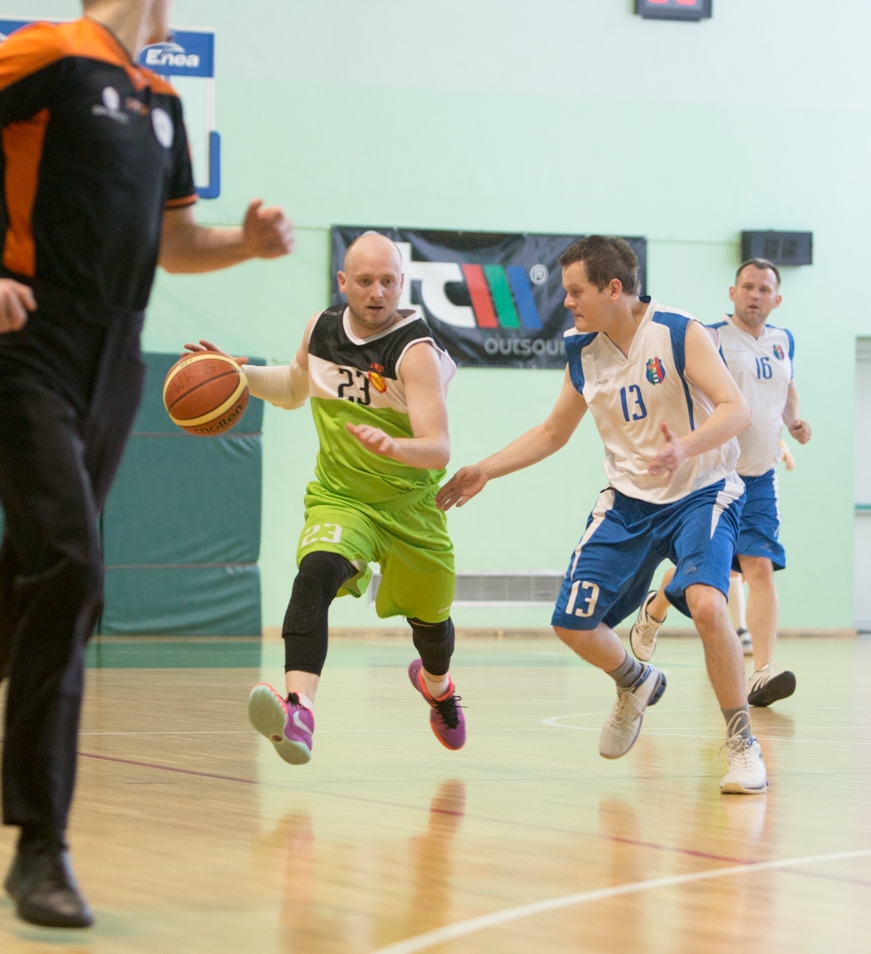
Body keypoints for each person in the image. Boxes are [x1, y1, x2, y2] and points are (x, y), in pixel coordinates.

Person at [0, 0, 294, 929]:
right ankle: (39, 845)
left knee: (33, 593)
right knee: (77, 570)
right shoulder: (48, 53)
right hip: (25, 352)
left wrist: (245, 240)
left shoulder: (161, 102)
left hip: (114, 366)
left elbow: (171, 244)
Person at [437, 236, 768, 794]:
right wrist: (486, 470)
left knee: (710, 604)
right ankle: (635, 681)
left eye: (575, 291)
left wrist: (684, 447)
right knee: (572, 622)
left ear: (614, 289)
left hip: (702, 491)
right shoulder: (582, 351)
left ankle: (742, 743)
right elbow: (551, 432)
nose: (566, 301)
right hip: (629, 501)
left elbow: (737, 411)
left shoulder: (679, 331)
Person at [193, 233, 462, 763]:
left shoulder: (415, 352)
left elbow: (439, 449)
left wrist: (396, 444)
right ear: (344, 283)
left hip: (411, 506)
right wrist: (235, 375)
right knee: (314, 574)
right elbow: (295, 389)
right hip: (343, 498)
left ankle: (439, 689)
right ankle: (299, 711)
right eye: (365, 281)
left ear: (401, 284)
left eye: (388, 281)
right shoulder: (321, 330)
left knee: (431, 629)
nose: (377, 293)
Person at [630, 259, 810, 709]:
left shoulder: (784, 341)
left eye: (764, 289)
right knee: (709, 570)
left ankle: (762, 671)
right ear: (733, 292)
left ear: (777, 298)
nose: (755, 295)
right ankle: (655, 607)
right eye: (747, 287)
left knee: (759, 567)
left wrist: (796, 422)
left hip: (762, 479)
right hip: (717, 477)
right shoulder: (710, 337)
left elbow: (785, 391)